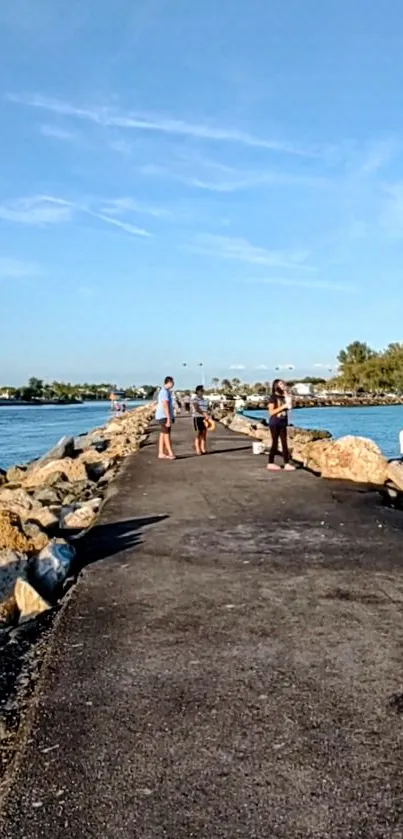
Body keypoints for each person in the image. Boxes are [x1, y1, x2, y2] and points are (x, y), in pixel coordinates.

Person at [267, 379, 295, 472]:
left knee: (284, 443)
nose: (283, 385)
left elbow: (290, 408)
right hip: (274, 422)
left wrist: (288, 398)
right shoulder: (273, 397)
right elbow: (271, 412)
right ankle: (270, 463)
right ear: (276, 386)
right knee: (275, 443)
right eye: (281, 384)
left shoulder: (284, 397)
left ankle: (286, 463)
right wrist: (283, 406)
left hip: (283, 422)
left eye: (283, 383)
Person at [155, 376, 176, 460]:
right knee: (167, 435)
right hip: (164, 416)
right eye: (173, 382)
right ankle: (170, 453)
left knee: (163, 434)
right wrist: (168, 418)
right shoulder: (164, 392)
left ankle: (161, 453)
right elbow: (165, 405)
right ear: (169, 382)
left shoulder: (165, 391)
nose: (173, 384)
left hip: (161, 415)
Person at [192, 385, 209, 455]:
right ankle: (197, 449)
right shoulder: (195, 399)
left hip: (205, 418)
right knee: (199, 433)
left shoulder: (204, 400)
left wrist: (207, 415)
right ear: (197, 391)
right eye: (201, 390)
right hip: (197, 417)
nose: (202, 392)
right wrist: (204, 414)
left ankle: (203, 448)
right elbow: (197, 408)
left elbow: (207, 408)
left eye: (203, 390)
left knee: (204, 433)